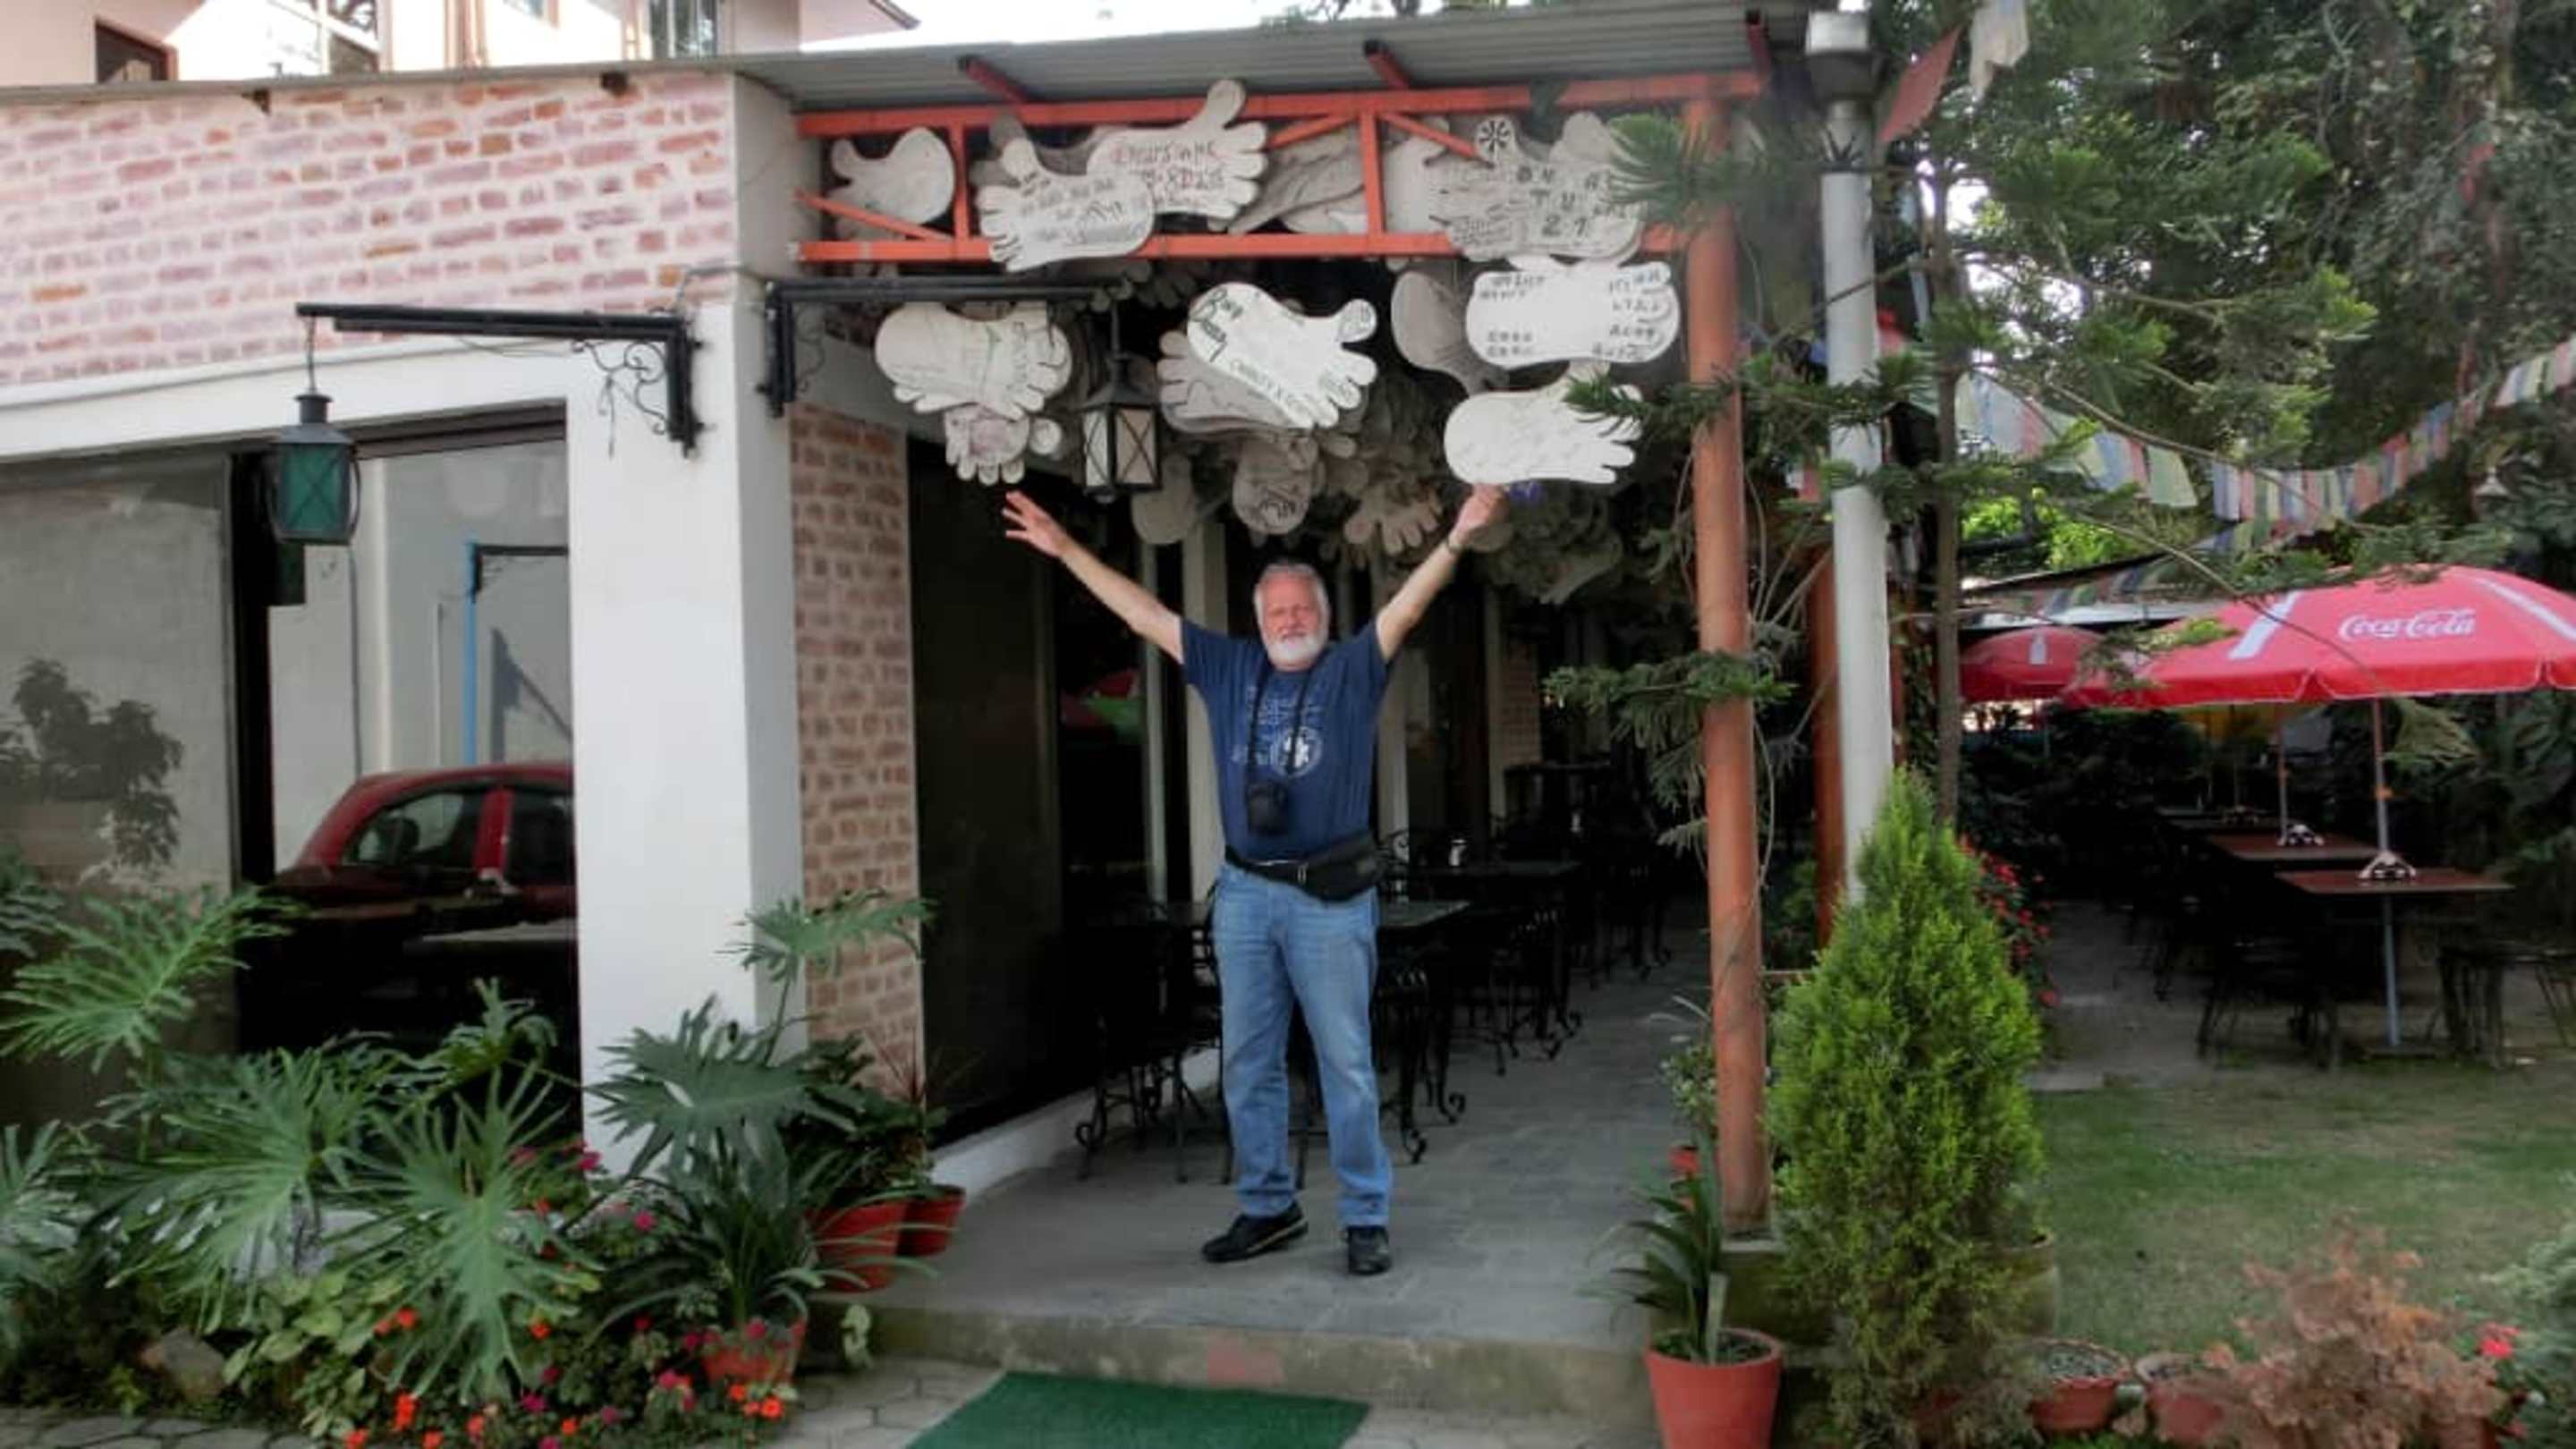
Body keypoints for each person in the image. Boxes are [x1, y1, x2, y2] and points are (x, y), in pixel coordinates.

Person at [1001, 485, 1507, 1275]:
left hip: (1329, 898)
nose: (1290, 620)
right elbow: (1144, 615)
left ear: (1324, 617)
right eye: (1277, 611)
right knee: (1247, 1060)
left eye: (1302, 609)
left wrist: (1458, 537)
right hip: (1244, 894)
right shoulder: (1229, 666)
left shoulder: (1350, 672)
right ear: (1258, 620)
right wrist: (1065, 549)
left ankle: (1365, 1215)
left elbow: (1406, 609)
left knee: (1344, 1062)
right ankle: (1270, 1208)